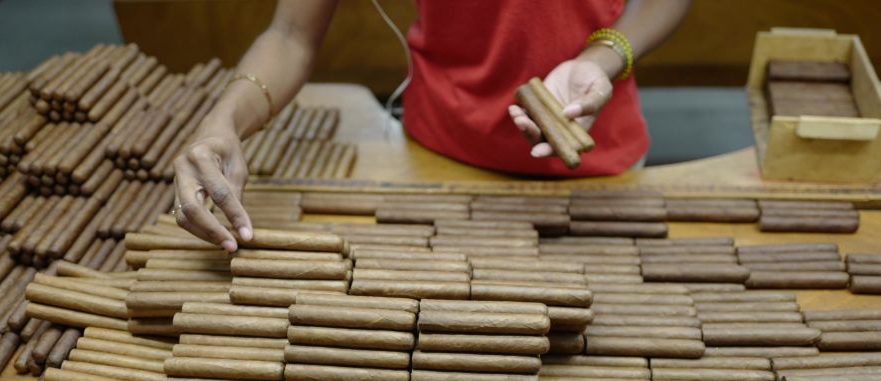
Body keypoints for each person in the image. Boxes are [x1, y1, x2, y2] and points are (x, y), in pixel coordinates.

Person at [173, 0, 691, 251]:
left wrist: (603, 57)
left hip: (598, 164)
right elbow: (290, 34)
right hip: (432, 161)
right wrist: (223, 120)